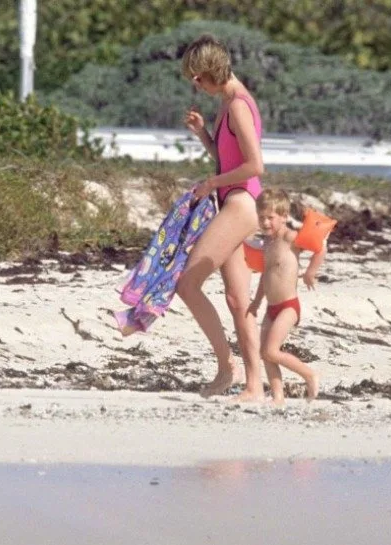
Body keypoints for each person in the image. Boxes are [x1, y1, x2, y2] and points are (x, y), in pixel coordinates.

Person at [178, 34, 265, 401]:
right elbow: (227, 159)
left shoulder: (239, 105)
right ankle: (254, 386)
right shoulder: (228, 103)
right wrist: (203, 134)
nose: (197, 85)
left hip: (241, 203)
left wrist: (211, 184)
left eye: (199, 78)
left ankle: (227, 366)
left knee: (187, 284)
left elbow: (255, 166)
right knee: (237, 300)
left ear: (212, 71)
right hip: (235, 200)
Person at [249, 188, 323, 405]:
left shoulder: (290, 237)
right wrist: (256, 302)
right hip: (270, 308)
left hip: (289, 306)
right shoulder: (267, 244)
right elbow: (265, 276)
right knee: (265, 353)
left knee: (271, 351)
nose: (265, 222)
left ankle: (309, 375)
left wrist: (310, 273)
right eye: (261, 217)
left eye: (270, 217)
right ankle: (278, 397)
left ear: (283, 216)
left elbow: (320, 249)